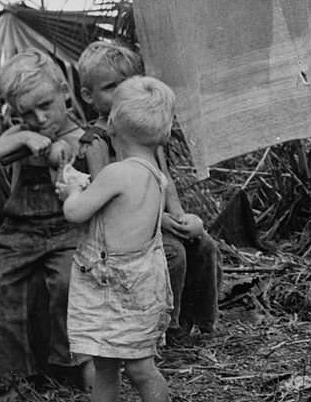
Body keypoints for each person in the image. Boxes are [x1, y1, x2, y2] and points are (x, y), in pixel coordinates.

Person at [58, 76, 177, 402]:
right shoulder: (154, 176)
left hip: (115, 283)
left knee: (134, 365)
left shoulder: (115, 173)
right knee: (115, 359)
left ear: (110, 125)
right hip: (140, 281)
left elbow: (76, 213)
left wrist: (71, 189)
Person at [76, 40, 221, 342]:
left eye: (128, 83)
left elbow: (164, 181)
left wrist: (180, 218)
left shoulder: (143, 128)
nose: (122, 92)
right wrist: (162, 222)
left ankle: (201, 322)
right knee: (173, 254)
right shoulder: (98, 140)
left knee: (204, 245)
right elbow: (106, 200)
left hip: (157, 221)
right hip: (126, 230)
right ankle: (166, 329)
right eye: (110, 86)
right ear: (89, 96)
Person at [0, 49, 90, 402]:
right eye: (26, 113)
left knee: (70, 282)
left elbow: (62, 154)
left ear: (64, 91)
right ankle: (10, 379)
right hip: (19, 231)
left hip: (67, 229)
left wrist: (54, 150)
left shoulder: (83, 136)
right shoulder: (21, 133)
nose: (38, 118)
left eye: (45, 105)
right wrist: (22, 138)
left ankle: (71, 367)